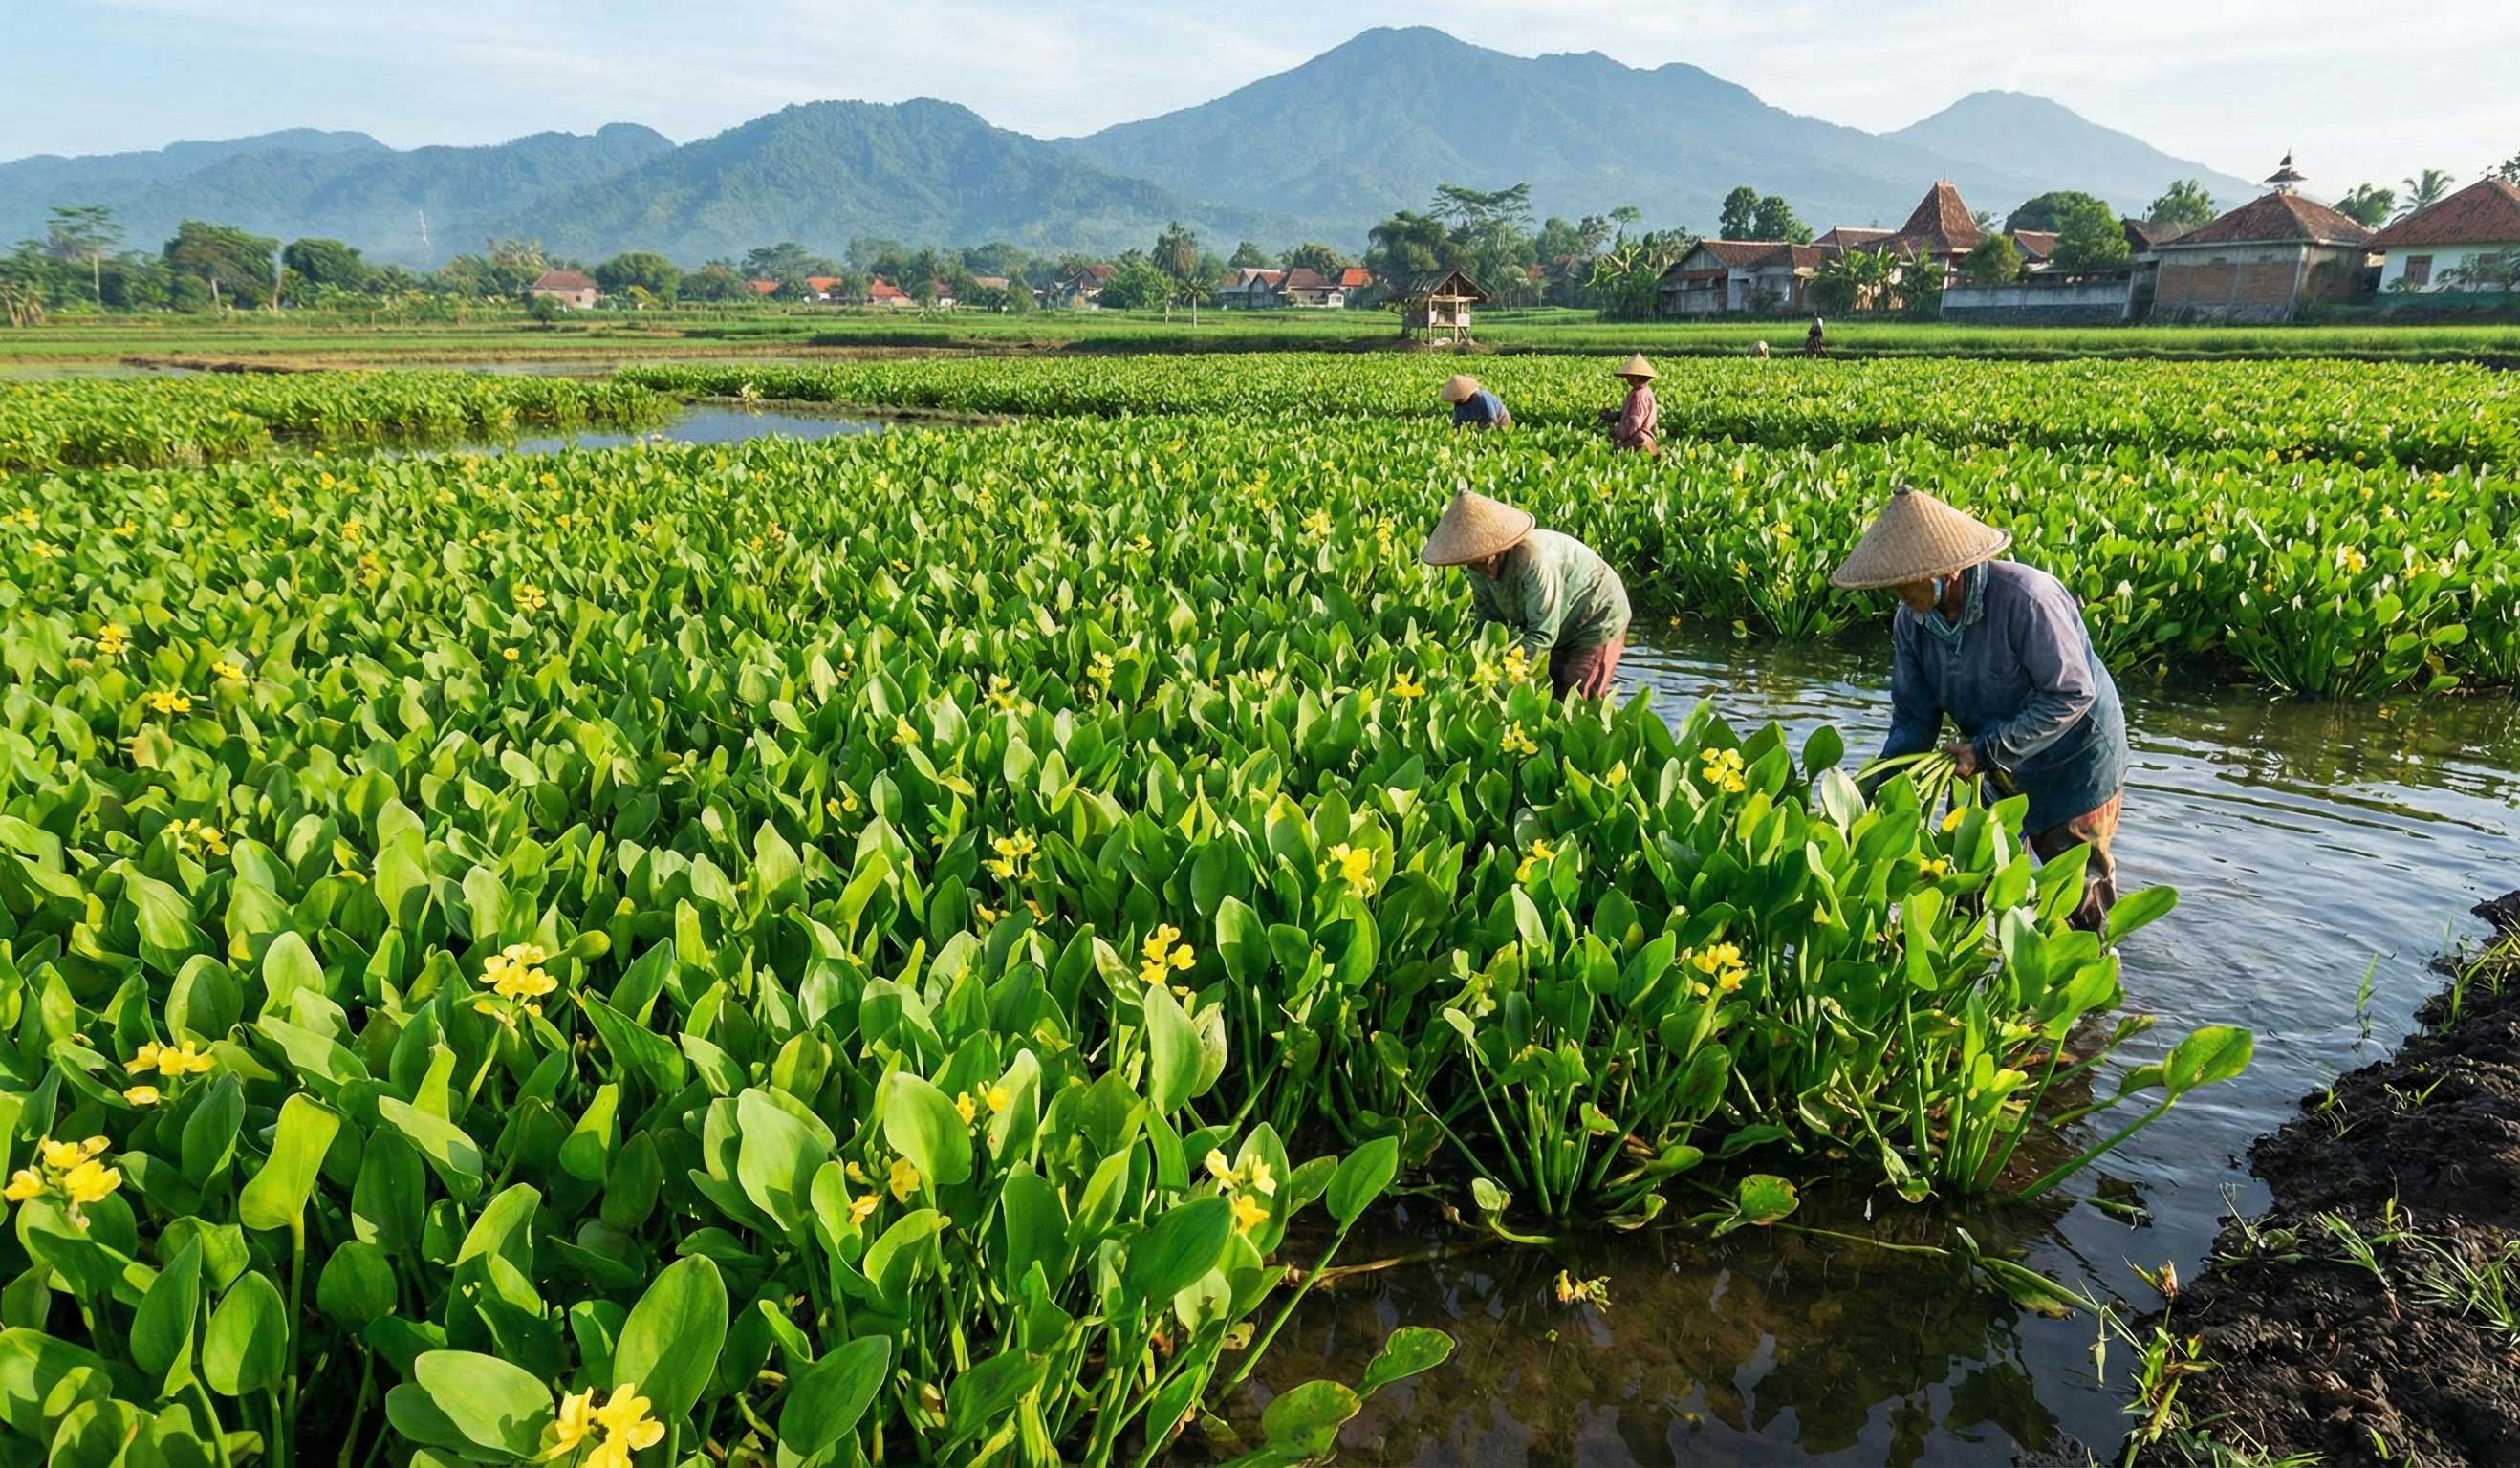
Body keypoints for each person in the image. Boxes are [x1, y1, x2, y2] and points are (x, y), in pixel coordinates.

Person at [1830, 486, 2129, 931]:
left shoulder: (2028, 599)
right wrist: (1868, 791)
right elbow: (1914, 723)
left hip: (2074, 764)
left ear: (1945, 571)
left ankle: (2090, 987)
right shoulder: (1911, 623)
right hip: (1989, 761)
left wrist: (1982, 753)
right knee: (1967, 877)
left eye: (1904, 580)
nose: (1896, 591)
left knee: (2076, 898)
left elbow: (2069, 694)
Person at [1421, 489, 1629, 699]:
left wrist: (1505, 673)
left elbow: (1542, 635)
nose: (1480, 569)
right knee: (1552, 685)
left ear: (1497, 550)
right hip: (1560, 621)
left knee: (1576, 692)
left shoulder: (1534, 560)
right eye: (1472, 563)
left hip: (1597, 614)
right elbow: (1487, 624)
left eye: (1483, 561)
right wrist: (1475, 664)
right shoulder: (1476, 569)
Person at [1604, 354, 1658, 454]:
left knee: (1611, 452)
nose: (1627, 378)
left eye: (1630, 376)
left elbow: (1634, 423)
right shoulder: (1638, 392)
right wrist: (1611, 416)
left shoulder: (1639, 397)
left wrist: (1616, 432)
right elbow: (1626, 414)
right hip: (1638, 439)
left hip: (1637, 442)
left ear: (1638, 377)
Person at [1440, 374, 1510, 429]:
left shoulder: (1481, 397)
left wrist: (1482, 430)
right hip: (1479, 423)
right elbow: (1458, 420)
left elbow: (1491, 417)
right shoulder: (1459, 403)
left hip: (1500, 420)